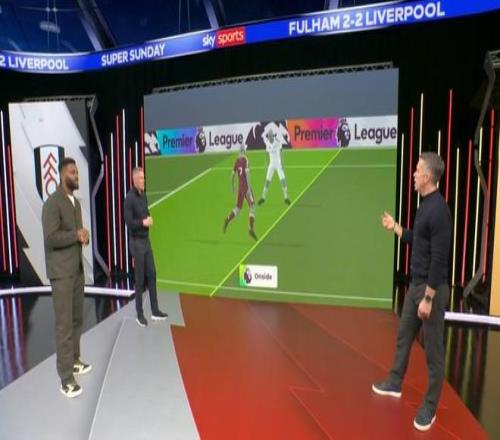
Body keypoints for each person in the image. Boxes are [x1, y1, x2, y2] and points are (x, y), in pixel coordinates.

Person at [372, 152, 451, 432]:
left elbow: (439, 259)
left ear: (427, 176)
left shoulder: (439, 210)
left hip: (432, 290)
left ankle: (429, 407)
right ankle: (395, 383)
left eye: (417, 170)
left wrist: (428, 298)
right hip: (416, 285)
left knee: (433, 354)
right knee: (404, 336)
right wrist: (395, 227)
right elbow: (417, 240)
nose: (414, 174)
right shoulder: (424, 205)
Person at [42, 157, 91, 399]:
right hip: (61, 273)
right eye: (73, 172)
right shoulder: (52, 203)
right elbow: (51, 238)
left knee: (76, 320)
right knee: (64, 326)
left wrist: (84, 237)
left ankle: (74, 360)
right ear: (63, 175)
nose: (77, 176)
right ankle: (66, 379)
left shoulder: (75, 204)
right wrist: (75, 235)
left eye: (77, 172)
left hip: (76, 270)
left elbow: (77, 235)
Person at [124, 167, 168, 327]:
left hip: (146, 241)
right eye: (141, 178)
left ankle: (155, 311)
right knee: (140, 279)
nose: (144, 181)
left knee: (152, 274)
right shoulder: (129, 198)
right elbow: (129, 222)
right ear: (135, 180)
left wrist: (149, 217)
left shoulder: (144, 195)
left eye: (144, 178)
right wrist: (143, 222)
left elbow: (145, 212)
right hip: (136, 243)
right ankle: (139, 314)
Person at [223, 145, 258, 241]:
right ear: (244, 151)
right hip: (246, 186)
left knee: (238, 208)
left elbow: (232, 175)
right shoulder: (246, 160)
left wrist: (232, 186)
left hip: (240, 187)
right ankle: (250, 229)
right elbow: (247, 174)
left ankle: (227, 220)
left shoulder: (236, 161)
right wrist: (249, 188)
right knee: (252, 206)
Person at [258, 121, 291, 205]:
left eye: (270, 135)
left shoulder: (277, 142)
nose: (269, 137)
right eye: (268, 136)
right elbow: (266, 153)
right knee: (267, 181)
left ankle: (286, 197)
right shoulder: (267, 143)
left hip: (278, 164)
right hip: (271, 165)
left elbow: (281, 152)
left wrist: (282, 163)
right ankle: (263, 198)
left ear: (273, 135)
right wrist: (265, 163)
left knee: (283, 180)